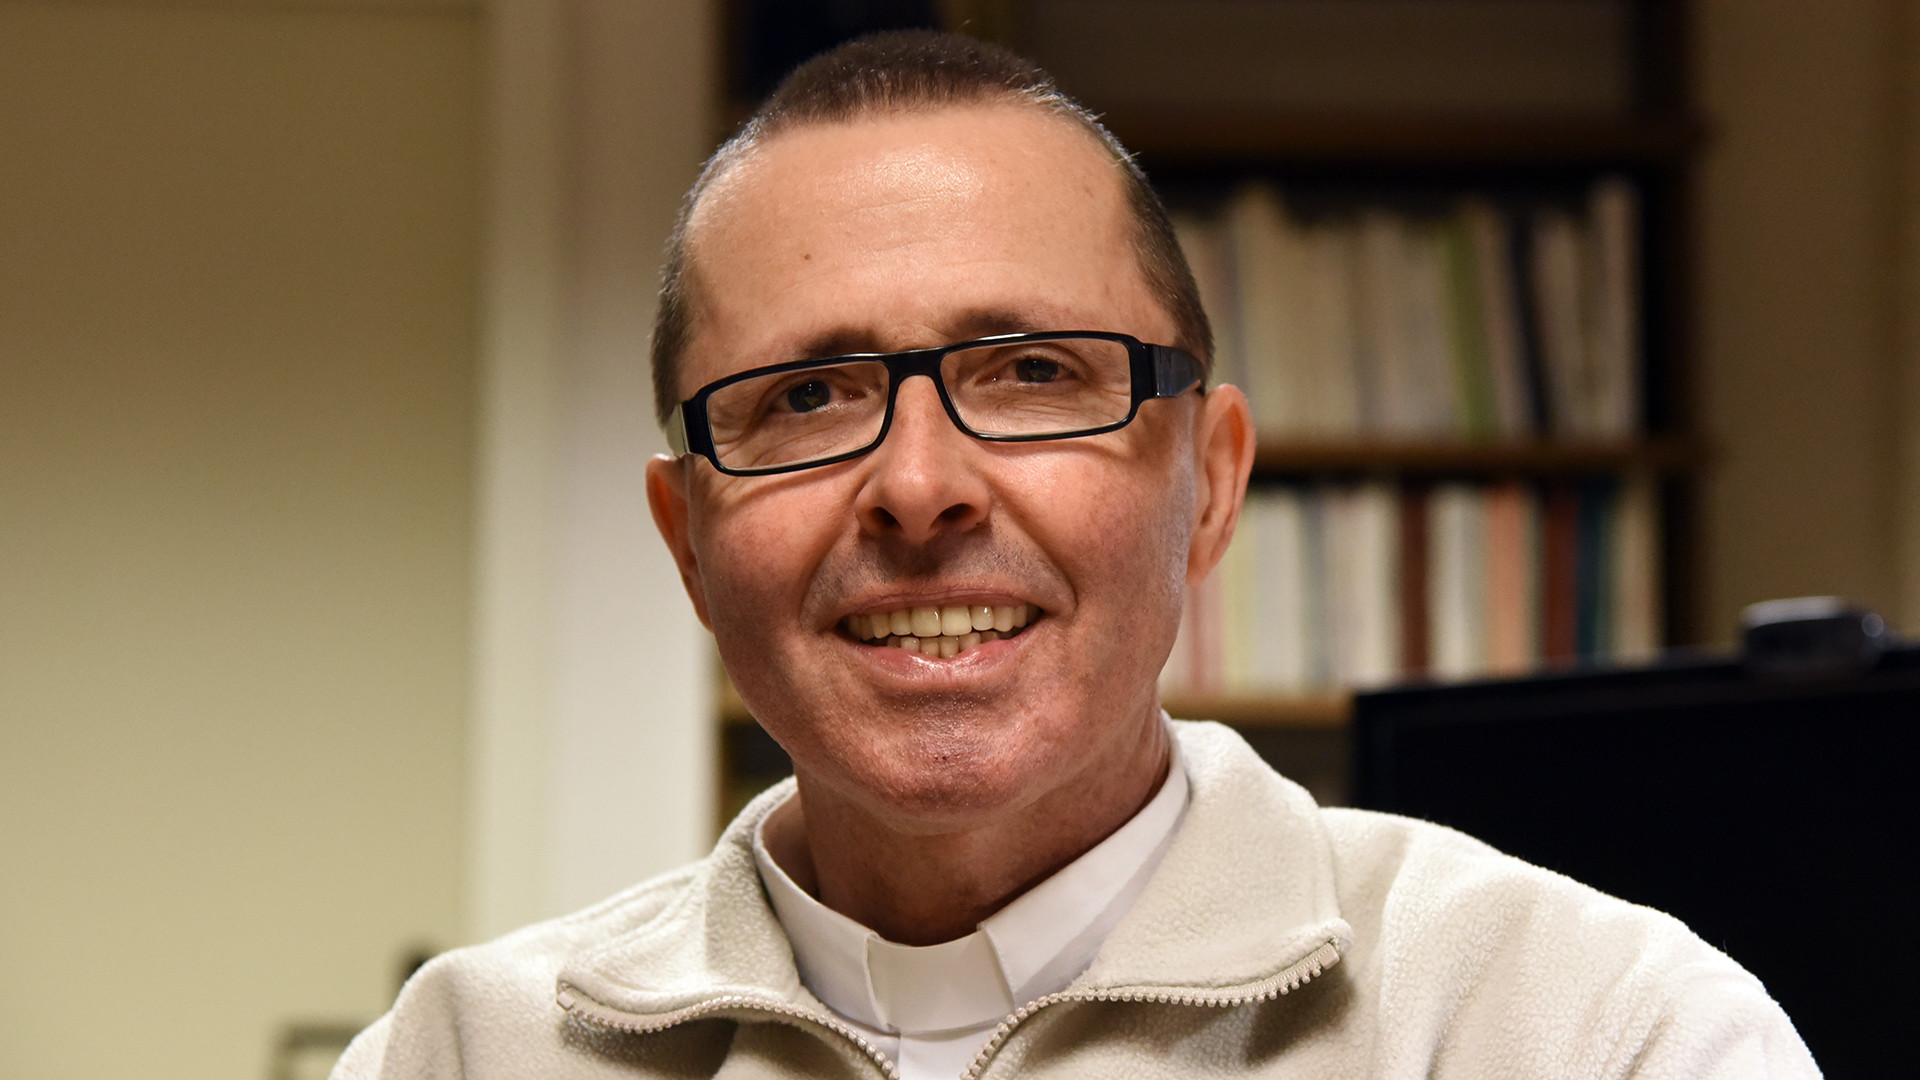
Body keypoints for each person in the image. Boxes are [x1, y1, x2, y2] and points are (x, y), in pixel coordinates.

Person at [334, 31, 1817, 1079]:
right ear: (688, 541)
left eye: (1034, 374)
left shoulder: (1588, 1032)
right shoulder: (460, 1055)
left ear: (1211, 481)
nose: (918, 489)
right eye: (806, 397)